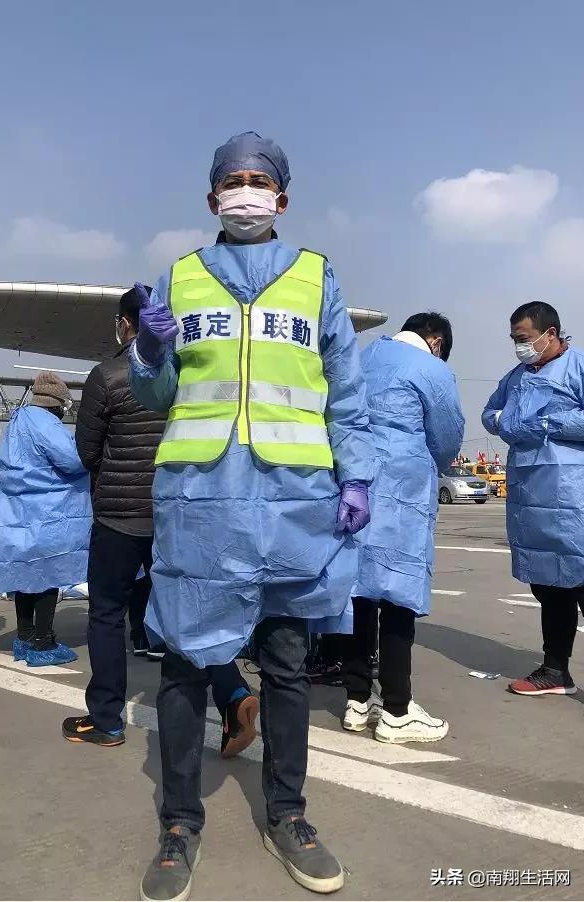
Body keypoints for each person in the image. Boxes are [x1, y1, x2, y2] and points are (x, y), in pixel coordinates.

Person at [129, 132, 374, 901]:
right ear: (211, 199)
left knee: (286, 662)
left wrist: (356, 474)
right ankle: (178, 823)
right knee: (183, 662)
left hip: (291, 498)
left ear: (281, 198)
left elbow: (344, 384)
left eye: (256, 180)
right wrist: (147, 350)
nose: (244, 191)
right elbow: (155, 398)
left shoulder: (315, 278)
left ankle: (289, 814)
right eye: (231, 181)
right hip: (201, 498)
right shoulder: (182, 276)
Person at [62, 288, 257, 754]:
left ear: (127, 324)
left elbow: (87, 452)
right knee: (190, 612)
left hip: (119, 517)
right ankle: (231, 695)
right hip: (177, 513)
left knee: (107, 614)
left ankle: (107, 718)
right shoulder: (184, 375)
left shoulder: (107, 375)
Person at [333, 314, 464, 743]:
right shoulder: (430, 368)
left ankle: (356, 701)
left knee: (360, 594)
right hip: (401, 492)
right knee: (398, 595)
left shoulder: (362, 357)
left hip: (355, 484)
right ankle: (397, 709)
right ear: (437, 340)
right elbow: (446, 437)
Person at [483, 301, 584, 698]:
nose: (518, 347)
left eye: (523, 339)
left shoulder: (578, 367)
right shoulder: (517, 376)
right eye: (514, 340)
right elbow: (491, 413)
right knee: (547, 584)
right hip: (530, 493)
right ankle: (555, 670)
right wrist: (505, 422)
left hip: (571, 495)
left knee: (582, 580)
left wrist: (551, 422)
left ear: (551, 333)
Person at [0, 372, 90, 667]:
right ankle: (43, 643)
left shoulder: (19, 421)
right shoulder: (46, 423)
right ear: (57, 403)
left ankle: (25, 637)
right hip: (45, 512)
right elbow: (72, 460)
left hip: (19, 512)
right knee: (47, 576)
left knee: (25, 576)